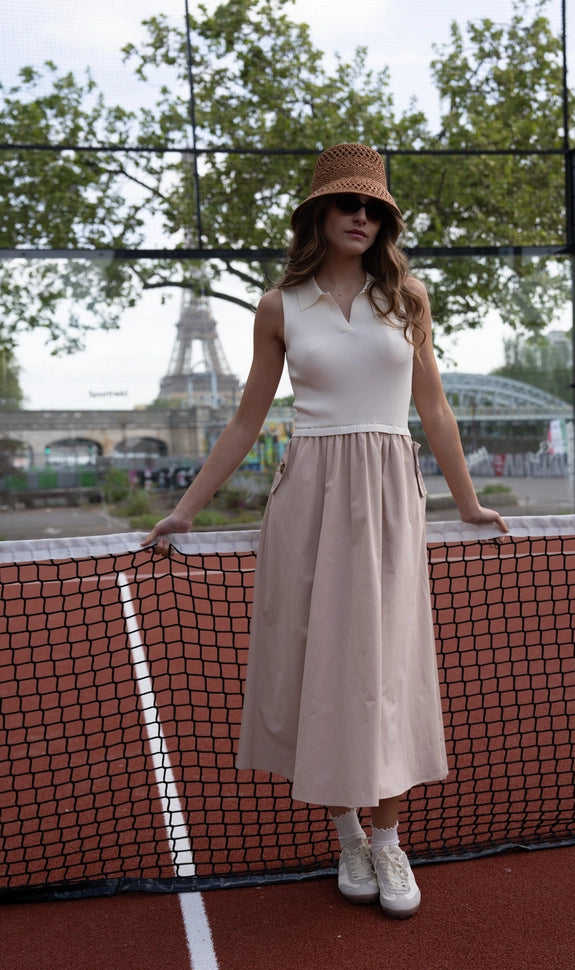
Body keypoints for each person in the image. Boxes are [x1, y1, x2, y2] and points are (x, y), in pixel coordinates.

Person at [143, 142, 509, 919]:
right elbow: (249, 418)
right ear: (319, 214)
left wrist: (467, 503)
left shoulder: (408, 297)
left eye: (375, 208)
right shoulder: (279, 306)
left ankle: (387, 838)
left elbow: (434, 409)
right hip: (307, 492)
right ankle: (344, 828)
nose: (362, 218)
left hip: (387, 495)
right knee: (315, 660)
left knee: (387, 666)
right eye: (349, 205)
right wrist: (188, 507)